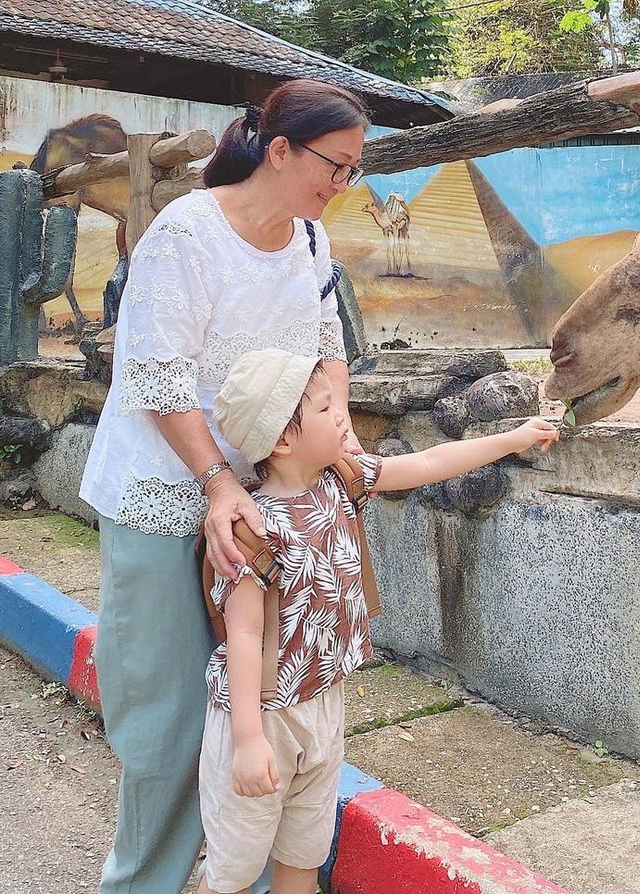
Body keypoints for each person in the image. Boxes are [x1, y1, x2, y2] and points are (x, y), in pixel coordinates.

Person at [80, 79, 371, 894]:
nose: (342, 186)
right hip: (167, 494)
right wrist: (214, 483)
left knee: (254, 708)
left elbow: (328, 348)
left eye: (353, 170)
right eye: (334, 165)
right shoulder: (187, 233)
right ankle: (141, 882)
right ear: (280, 150)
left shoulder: (310, 242)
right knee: (169, 721)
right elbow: (158, 375)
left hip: (252, 504)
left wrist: (336, 435)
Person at [200, 348, 560, 894]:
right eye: (324, 409)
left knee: (305, 851)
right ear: (281, 441)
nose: (341, 415)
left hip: (323, 700)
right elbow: (245, 636)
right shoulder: (252, 530)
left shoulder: (342, 479)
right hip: (263, 715)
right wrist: (249, 740)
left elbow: (428, 464)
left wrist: (511, 440)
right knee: (236, 867)